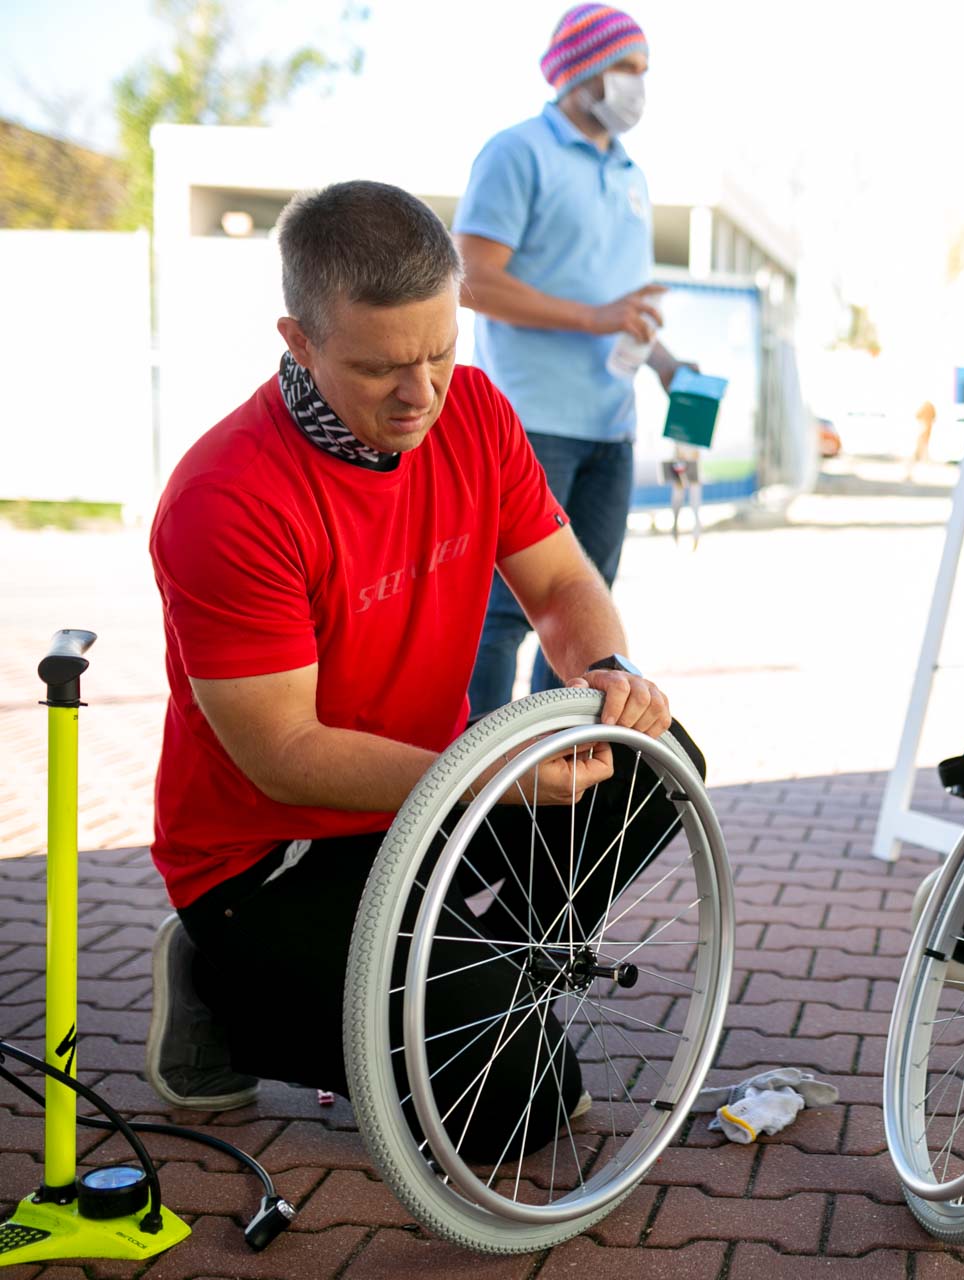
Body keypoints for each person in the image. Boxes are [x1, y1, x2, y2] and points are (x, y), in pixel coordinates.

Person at [143, 180, 696, 1162]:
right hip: (270, 859)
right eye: (382, 367)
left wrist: (606, 668)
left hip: (422, 802)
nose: (421, 392)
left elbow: (564, 583)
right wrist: (487, 772)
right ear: (299, 340)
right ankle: (219, 990)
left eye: (441, 351)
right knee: (521, 1106)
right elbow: (284, 753)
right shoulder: (227, 496)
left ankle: (478, 979)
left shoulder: (475, 411)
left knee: (652, 759)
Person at [456, 4, 699, 716]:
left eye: (645, 71)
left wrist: (663, 362)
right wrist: (595, 317)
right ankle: (466, 787)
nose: (638, 85)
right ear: (582, 69)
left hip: (610, 428)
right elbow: (470, 278)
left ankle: (547, 777)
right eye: (628, 67)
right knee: (501, 616)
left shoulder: (632, 174)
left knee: (582, 624)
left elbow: (618, 302)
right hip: (529, 425)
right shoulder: (517, 152)